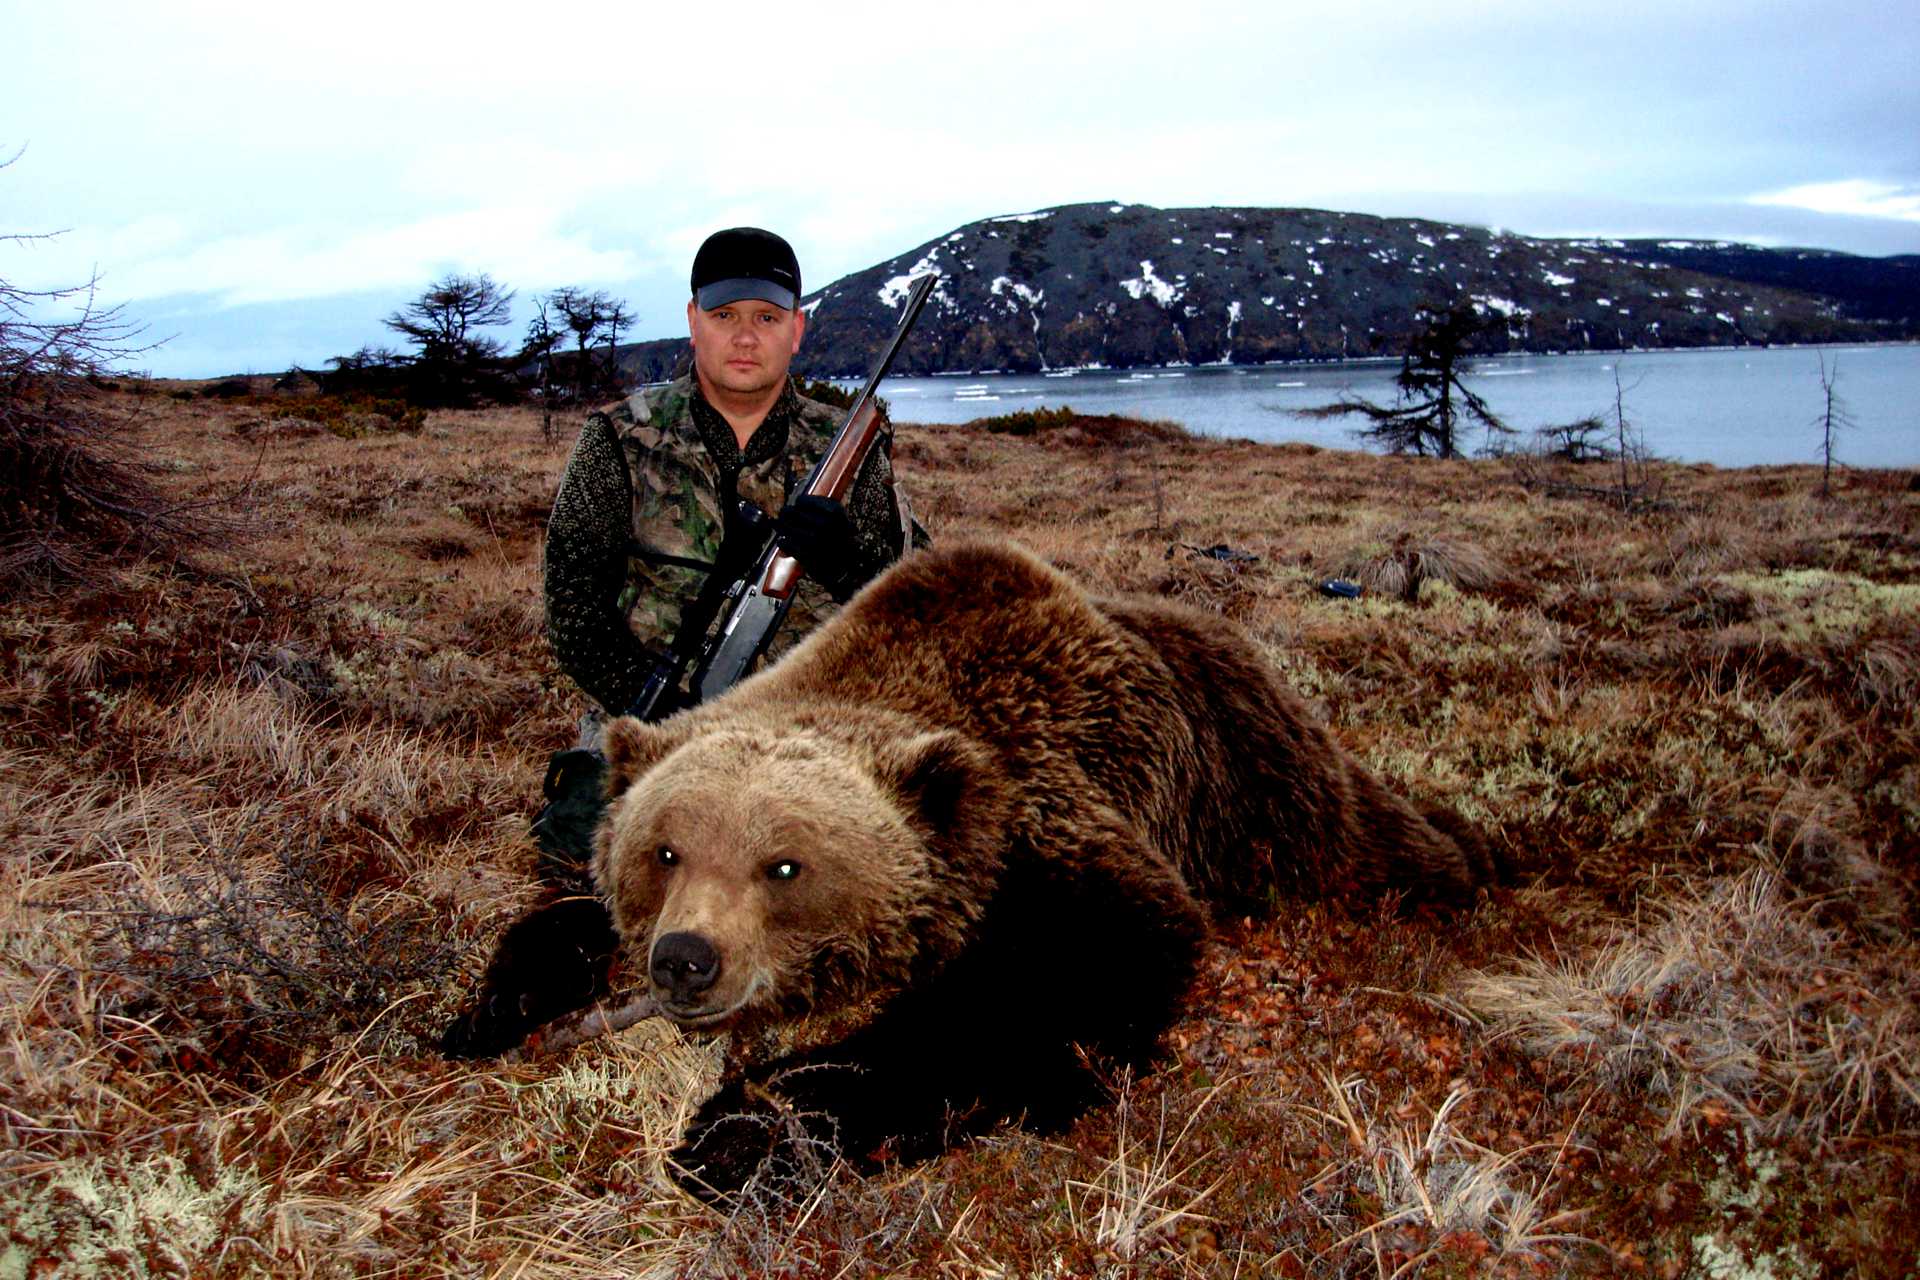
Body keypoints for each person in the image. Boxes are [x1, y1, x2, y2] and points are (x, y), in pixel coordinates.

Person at [441, 228, 924, 1057]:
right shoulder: (620, 440)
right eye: (725, 314)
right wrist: (652, 717)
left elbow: (909, 602)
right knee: (591, 885)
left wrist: (849, 562)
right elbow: (574, 609)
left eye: (767, 318)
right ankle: (525, 992)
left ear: (796, 329)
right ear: (692, 321)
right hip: (655, 723)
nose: (746, 335)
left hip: (807, 736)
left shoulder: (845, 446)